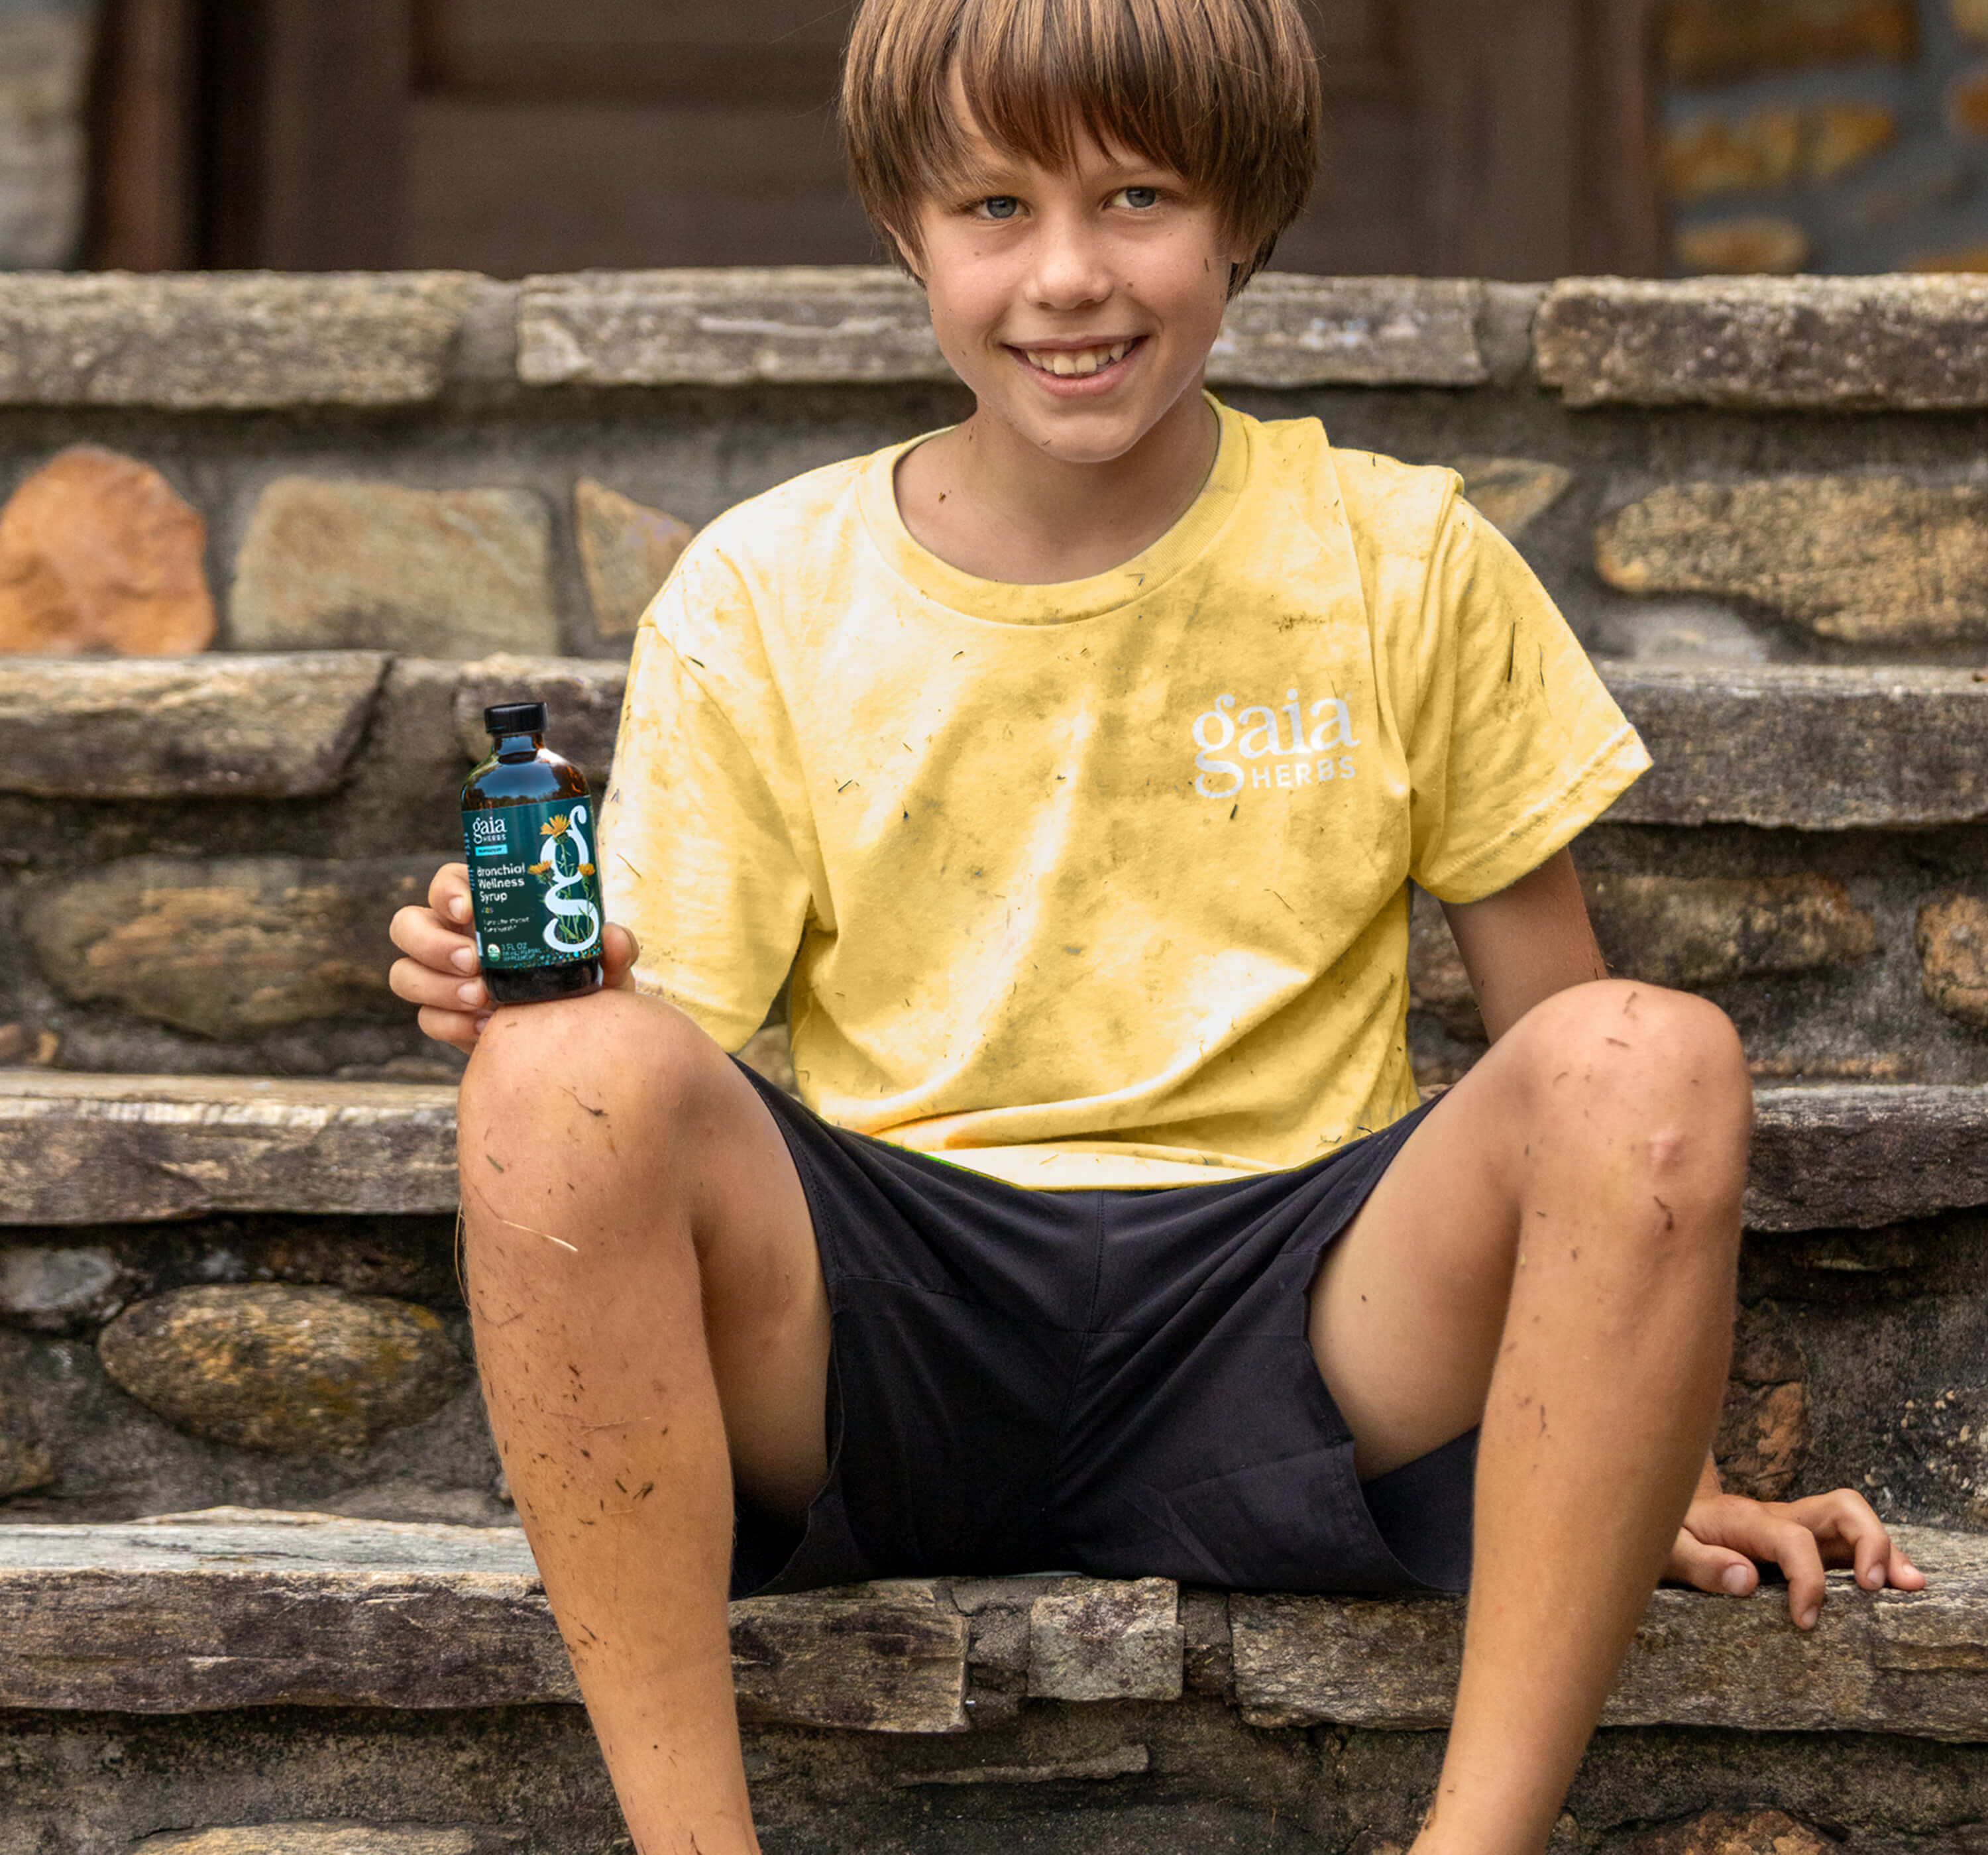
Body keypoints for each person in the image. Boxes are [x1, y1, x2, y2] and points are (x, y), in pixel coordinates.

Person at [389, 2, 1925, 1849]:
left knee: (1657, 1050)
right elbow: (665, 1064)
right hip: (896, 1318)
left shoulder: (1399, 557)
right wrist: (545, 1007)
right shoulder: (765, 594)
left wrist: (1657, 1456)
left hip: (1297, 1314)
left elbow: (1568, 1060)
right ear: (904, 230)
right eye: (991, 207)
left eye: (1136, 196)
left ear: (1243, 218)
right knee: (563, 1073)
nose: (1066, 276)